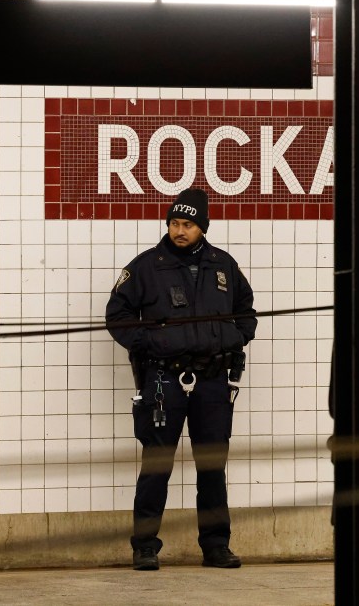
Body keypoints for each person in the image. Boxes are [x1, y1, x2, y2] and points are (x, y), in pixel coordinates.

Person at [106, 187, 257, 571]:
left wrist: (234, 337)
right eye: (174, 223)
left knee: (212, 466)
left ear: (203, 227)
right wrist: (151, 343)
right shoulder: (145, 267)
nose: (179, 230)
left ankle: (216, 546)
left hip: (212, 381)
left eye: (187, 224)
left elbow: (246, 312)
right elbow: (118, 315)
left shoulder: (224, 266)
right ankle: (144, 546)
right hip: (164, 381)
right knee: (157, 464)